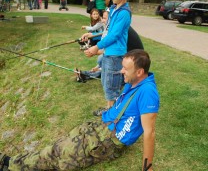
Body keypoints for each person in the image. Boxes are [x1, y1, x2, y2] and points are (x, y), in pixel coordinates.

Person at [0, 49, 160, 171]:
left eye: (125, 68)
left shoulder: (148, 93)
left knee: (61, 155)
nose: (121, 71)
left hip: (109, 141)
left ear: (139, 72)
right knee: (59, 145)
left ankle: (10, 164)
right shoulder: (133, 81)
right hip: (102, 126)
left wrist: (147, 167)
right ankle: (15, 161)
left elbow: (149, 132)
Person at [85, 0, 135, 113]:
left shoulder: (124, 13)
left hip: (115, 55)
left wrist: (97, 47)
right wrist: (93, 36)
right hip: (108, 52)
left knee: (112, 86)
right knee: (105, 82)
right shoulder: (114, 9)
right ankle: (110, 108)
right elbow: (107, 31)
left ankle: (113, 113)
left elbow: (114, 35)